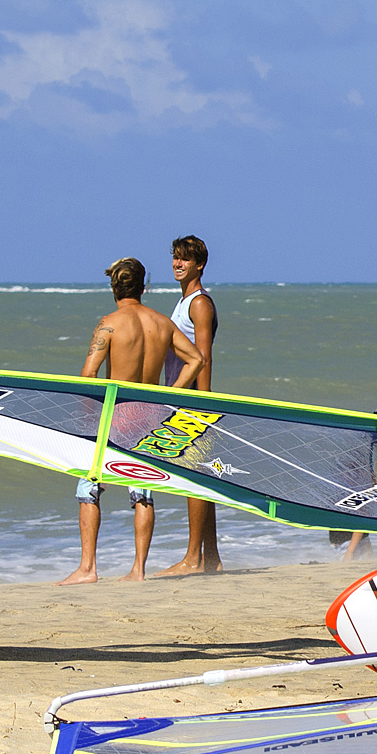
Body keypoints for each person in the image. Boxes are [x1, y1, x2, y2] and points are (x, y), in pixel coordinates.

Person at [58, 258, 202, 586]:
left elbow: (89, 374)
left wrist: (88, 415)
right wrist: (169, 397)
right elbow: (196, 359)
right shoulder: (162, 323)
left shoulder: (109, 324)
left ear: (114, 288)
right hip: (150, 415)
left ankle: (87, 568)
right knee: (142, 490)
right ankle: (138, 569)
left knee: (89, 487)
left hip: (117, 414)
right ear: (144, 286)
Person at [154, 235, 222, 578]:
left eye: (185, 259)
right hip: (184, 398)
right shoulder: (184, 302)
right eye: (175, 258)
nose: (178, 264)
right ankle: (211, 558)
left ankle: (194, 558)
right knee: (200, 475)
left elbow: (204, 357)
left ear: (200, 265)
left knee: (194, 476)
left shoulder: (199, 304)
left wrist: (201, 403)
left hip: (193, 400)